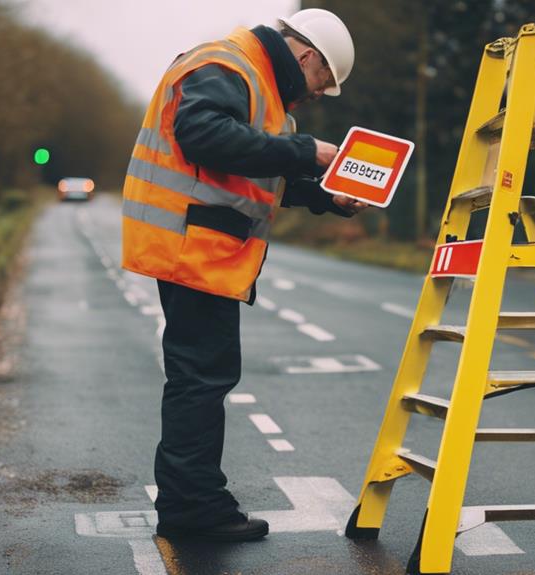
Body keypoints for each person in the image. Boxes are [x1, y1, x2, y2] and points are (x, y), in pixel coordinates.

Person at [120, 9, 366, 542]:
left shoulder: (261, 91)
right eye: (325, 80)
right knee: (201, 380)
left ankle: (196, 500)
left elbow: (259, 171)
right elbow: (202, 135)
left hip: (205, 249)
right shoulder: (226, 63)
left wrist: (326, 196)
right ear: (306, 57)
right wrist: (308, 153)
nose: (321, 94)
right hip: (193, 245)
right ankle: (193, 509)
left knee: (204, 378)